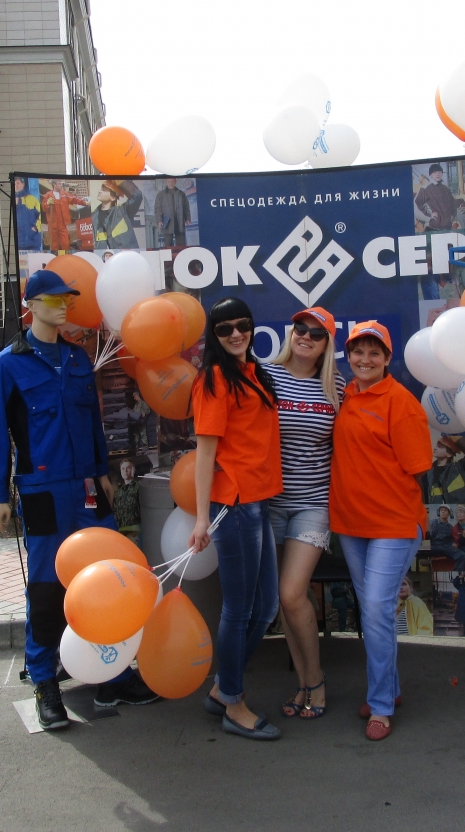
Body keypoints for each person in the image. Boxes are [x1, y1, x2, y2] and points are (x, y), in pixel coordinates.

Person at [0, 270, 157, 731]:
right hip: (42, 491)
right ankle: (45, 682)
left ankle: (111, 675)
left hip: (86, 488)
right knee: (45, 588)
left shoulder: (78, 359)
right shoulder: (8, 363)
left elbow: (93, 423)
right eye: (55, 299)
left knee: (108, 580)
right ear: (31, 305)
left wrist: (102, 470)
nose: (64, 306)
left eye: (68, 299)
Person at [329, 320, 433, 741]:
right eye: (358, 351)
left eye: (374, 353)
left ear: (388, 359)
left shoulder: (401, 402)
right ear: (348, 356)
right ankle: (388, 688)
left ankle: (382, 706)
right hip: (352, 524)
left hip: (392, 523)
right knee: (375, 610)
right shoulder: (346, 394)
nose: (364, 359)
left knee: (374, 608)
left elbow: (418, 468)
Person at [189, 297, 283, 741]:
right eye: (224, 329)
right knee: (241, 609)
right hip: (234, 505)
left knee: (265, 608)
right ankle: (234, 701)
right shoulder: (212, 380)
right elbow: (204, 454)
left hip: (257, 502)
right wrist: (202, 518)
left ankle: (222, 690)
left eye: (242, 325)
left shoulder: (252, 372)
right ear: (214, 335)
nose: (235, 334)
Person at [265, 306, 346, 721]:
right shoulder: (266, 376)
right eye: (300, 328)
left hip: (313, 504)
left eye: (316, 333)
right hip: (269, 502)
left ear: (326, 345)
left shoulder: (337, 390)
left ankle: (315, 680)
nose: (306, 337)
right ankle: (302, 684)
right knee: (283, 597)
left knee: (292, 591)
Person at [425, 435, 465, 505]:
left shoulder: (460, 468)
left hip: (459, 512)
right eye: (437, 445)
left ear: (449, 454)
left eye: (440, 447)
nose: (435, 448)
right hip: (435, 513)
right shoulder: (427, 472)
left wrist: (455, 438)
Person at [93, 180, 143, 249]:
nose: (100, 191)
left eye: (104, 190)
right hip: (104, 257)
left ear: (113, 198)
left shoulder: (123, 211)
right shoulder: (93, 216)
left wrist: (119, 181)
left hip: (124, 257)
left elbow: (137, 195)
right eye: (101, 189)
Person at [41, 181, 87, 253]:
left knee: (65, 243)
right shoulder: (48, 195)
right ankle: (55, 257)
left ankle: (66, 257)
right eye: (59, 183)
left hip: (62, 224)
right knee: (54, 244)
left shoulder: (64, 194)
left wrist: (85, 202)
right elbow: (43, 208)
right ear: (54, 185)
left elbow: (74, 199)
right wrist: (47, 203)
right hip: (52, 225)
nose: (61, 185)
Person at [415, 163, 460, 231]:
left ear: (442, 173)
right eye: (435, 172)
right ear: (430, 175)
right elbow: (416, 206)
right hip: (432, 228)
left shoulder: (446, 188)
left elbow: (453, 203)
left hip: (447, 228)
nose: (437, 174)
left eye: (439, 172)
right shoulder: (425, 189)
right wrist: (429, 216)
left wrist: (452, 215)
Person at [153, 178, 192, 248]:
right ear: (166, 182)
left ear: (175, 182)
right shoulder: (160, 195)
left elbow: (186, 207)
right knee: (168, 244)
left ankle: (181, 257)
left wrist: (187, 218)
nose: (171, 183)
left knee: (181, 244)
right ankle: (169, 258)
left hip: (179, 221)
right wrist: (159, 220)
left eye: (173, 181)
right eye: (169, 182)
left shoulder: (181, 194)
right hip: (167, 222)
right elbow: (157, 209)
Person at [14, 177, 43, 251]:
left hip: (32, 242)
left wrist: (35, 229)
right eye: (14, 184)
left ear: (23, 184)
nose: (16, 185)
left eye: (18, 183)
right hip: (19, 243)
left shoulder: (32, 199)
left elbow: (41, 216)